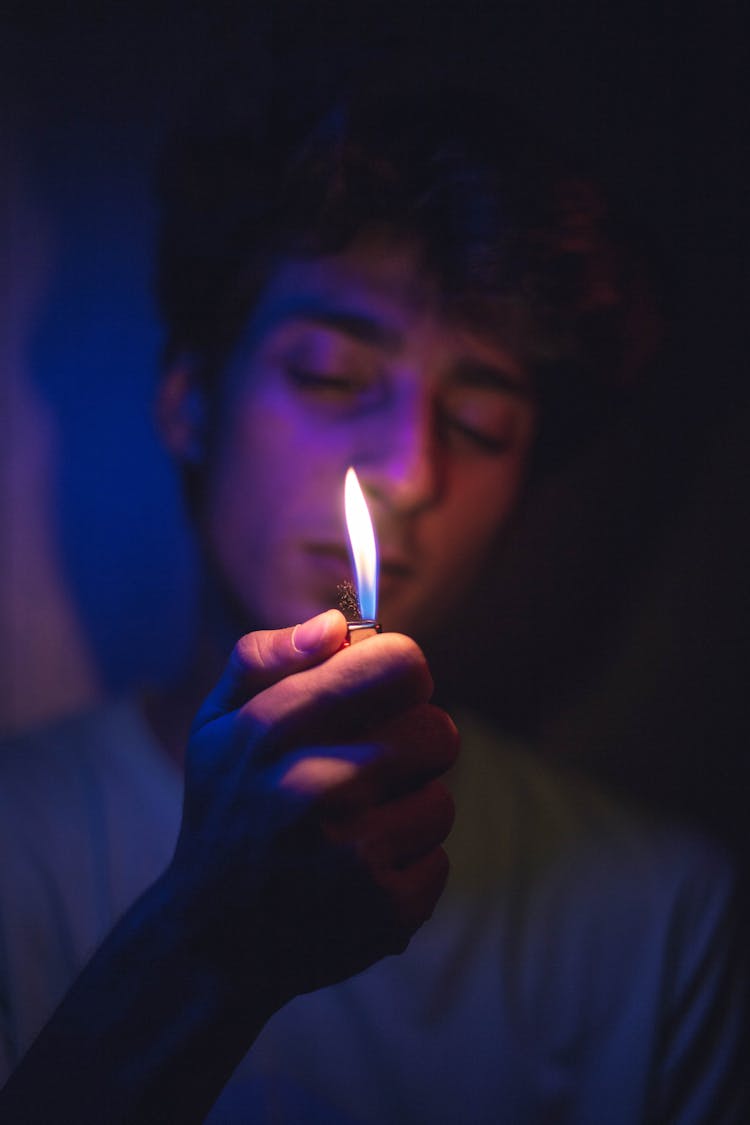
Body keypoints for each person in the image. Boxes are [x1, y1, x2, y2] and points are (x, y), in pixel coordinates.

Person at [0, 60, 745, 1122]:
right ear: (189, 401)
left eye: (482, 425)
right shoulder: (15, 840)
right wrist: (203, 949)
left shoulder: (660, 914)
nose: (407, 471)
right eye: (332, 375)